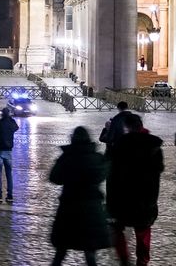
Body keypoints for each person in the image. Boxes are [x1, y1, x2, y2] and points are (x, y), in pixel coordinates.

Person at [106, 111, 164, 266]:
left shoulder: (120, 146)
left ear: (128, 128)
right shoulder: (154, 148)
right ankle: (142, 262)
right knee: (143, 233)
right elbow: (157, 173)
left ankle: (124, 260)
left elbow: (113, 177)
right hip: (146, 201)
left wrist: (110, 203)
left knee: (117, 230)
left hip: (122, 199)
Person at [49, 126, 110, 266]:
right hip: (92, 209)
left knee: (61, 251)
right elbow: (104, 172)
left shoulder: (67, 158)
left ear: (72, 139)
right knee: (90, 252)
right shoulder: (97, 159)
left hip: (69, 208)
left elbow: (54, 178)